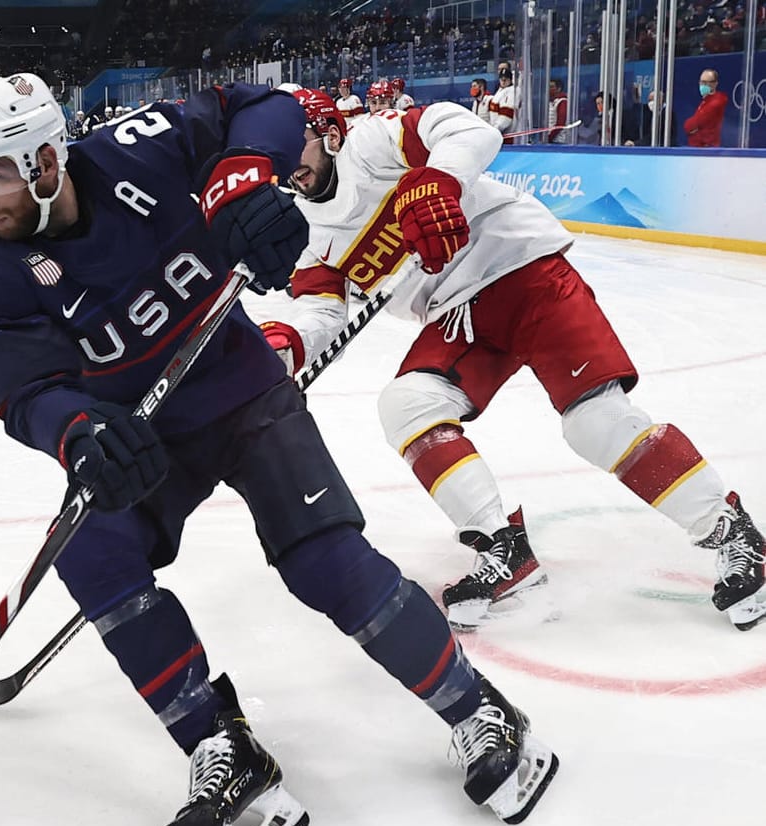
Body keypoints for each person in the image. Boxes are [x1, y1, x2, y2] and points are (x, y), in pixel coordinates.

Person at [0, 76, 559, 826]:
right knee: (93, 556)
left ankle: (479, 709)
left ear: (46, 157)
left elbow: (260, 104)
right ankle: (221, 747)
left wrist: (243, 174)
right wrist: (76, 431)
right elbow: (23, 389)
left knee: (325, 564)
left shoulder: (139, 148)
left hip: (241, 392)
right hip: (140, 438)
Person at [260, 89, 764, 633]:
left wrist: (437, 180)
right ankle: (504, 548)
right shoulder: (308, 233)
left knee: (595, 422)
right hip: (458, 314)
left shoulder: (372, 143)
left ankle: (732, 533)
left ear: (328, 132)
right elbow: (320, 310)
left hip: (523, 270)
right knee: (408, 405)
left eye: (291, 145)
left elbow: (471, 132)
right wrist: (287, 343)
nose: (284, 165)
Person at [684, 69, 725, 147]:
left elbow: (696, 123)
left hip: (707, 149)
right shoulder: (705, 102)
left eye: (706, 82)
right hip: (696, 148)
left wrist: (694, 127)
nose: (703, 85)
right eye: (701, 82)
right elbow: (688, 126)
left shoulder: (716, 102)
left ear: (715, 84)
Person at [489, 63, 519, 141]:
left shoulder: (511, 91)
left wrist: (495, 129)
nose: (503, 81)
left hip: (505, 136)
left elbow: (506, 116)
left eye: (506, 79)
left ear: (510, 79)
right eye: (501, 79)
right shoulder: (500, 90)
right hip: (498, 133)